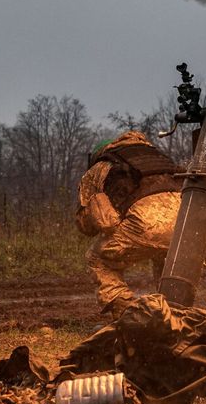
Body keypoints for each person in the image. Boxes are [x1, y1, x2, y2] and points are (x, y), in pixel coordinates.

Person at [76, 131, 183, 317]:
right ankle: (174, 310)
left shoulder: (101, 167)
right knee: (165, 258)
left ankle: (129, 314)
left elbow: (94, 225)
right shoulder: (159, 158)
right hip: (185, 227)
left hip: (144, 227)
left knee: (98, 259)